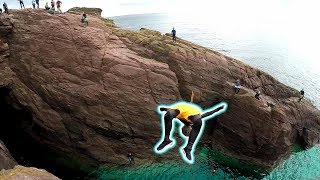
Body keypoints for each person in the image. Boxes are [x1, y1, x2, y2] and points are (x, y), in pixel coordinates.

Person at [155, 91, 227, 162]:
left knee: (169, 115)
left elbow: (172, 111)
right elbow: (209, 113)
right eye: (187, 132)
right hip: (191, 112)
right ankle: (188, 148)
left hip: (182, 108)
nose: (187, 130)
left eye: (185, 131)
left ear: (183, 128)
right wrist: (219, 108)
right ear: (190, 128)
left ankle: (167, 139)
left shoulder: (181, 118)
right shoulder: (192, 120)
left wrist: (165, 109)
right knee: (198, 121)